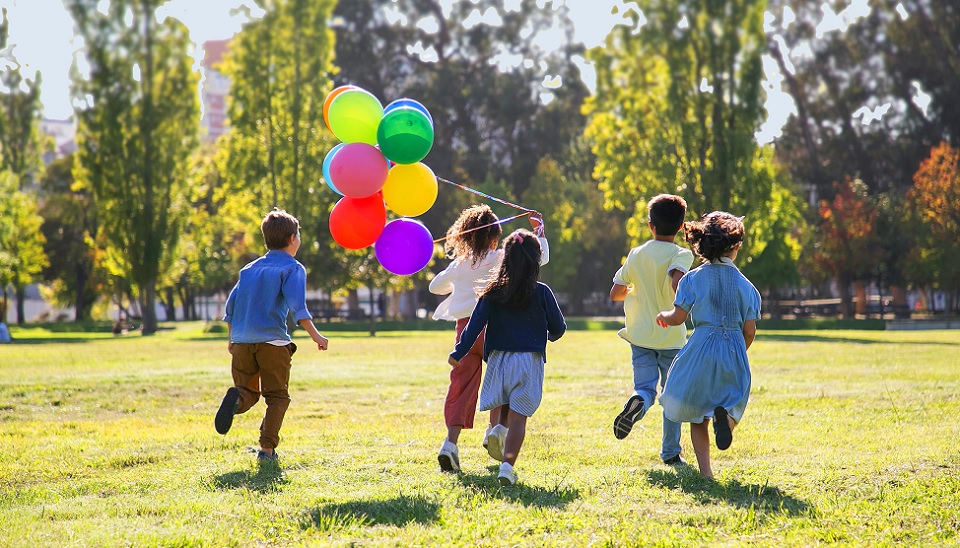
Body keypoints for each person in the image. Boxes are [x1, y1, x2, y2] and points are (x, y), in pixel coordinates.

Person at [429, 205, 549, 473]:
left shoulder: (459, 264)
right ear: (495, 236)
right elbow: (539, 259)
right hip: (495, 330)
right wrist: (539, 231)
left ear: (465, 237)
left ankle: (450, 444)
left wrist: (457, 274)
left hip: (465, 333)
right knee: (503, 382)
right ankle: (495, 430)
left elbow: (434, 286)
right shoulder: (500, 258)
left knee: (460, 387)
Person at [448, 229, 566, 486]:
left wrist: (459, 351)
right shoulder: (542, 292)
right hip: (528, 361)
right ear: (536, 261)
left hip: (498, 360)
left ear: (506, 259)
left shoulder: (492, 291)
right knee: (519, 418)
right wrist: (548, 335)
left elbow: (474, 326)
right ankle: (507, 466)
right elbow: (559, 327)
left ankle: (498, 430)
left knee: (503, 404)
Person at [215, 208, 329, 462]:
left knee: (247, 391)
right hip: (272, 342)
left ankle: (236, 399)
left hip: (242, 341)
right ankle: (266, 450)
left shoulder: (249, 269)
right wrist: (317, 336)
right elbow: (298, 309)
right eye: (298, 234)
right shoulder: (292, 268)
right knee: (277, 396)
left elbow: (230, 307)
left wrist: (232, 338)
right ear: (292, 239)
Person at [655, 211, 761, 479]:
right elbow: (750, 330)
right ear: (735, 246)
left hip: (701, 347)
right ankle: (726, 421)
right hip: (734, 347)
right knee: (734, 401)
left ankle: (706, 474)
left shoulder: (692, 279)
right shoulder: (747, 287)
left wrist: (664, 316)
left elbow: (678, 317)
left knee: (696, 413)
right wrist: (739, 351)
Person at [609, 194, 694, 466]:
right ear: (681, 227)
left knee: (644, 388)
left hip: (640, 335)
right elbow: (677, 280)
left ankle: (637, 402)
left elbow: (616, 293)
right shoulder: (682, 253)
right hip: (670, 336)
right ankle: (670, 453)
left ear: (650, 225)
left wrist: (638, 291)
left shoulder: (636, 253)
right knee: (672, 395)